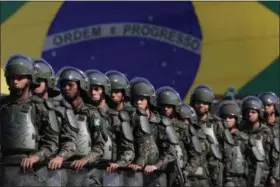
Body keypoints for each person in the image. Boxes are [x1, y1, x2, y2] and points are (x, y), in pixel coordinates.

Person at [0, 54, 59, 187]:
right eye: (12, 77)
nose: (15, 81)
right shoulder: (2, 105)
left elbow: (52, 141)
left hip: (31, 169)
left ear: (30, 78)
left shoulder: (41, 106)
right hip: (4, 167)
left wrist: (37, 156)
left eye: (20, 78)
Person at [56, 66, 106, 187]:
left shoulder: (92, 113)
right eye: (63, 85)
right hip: (58, 170)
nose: (66, 88)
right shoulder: (56, 111)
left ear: (80, 86)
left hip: (84, 171)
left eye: (70, 85)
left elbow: (99, 146)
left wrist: (85, 160)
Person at [32, 58, 79, 186]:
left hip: (52, 170)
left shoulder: (61, 109)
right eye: (33, 80)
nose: (35, 83)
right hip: (24, 169)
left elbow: (70, 141)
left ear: (48, 81)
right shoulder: (21, 107)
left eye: (39, 80)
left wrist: (60, 156)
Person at [85, 69, 135, 186]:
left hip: (111, 171)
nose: (93, 93)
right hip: (86, 169)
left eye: (97, 89)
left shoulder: (116, 117)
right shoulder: (83, 113)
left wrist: (120, 163)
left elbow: (128, 148)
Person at [129, 77, 177, 187]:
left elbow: (171, 151)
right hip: (132, 174)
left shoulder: (161, 122)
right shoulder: (129, 119)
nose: (138, 102)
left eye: (142, 98)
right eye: (136, 98)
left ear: (149, 100)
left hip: (155, 176)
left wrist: (156, 166)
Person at [190, 84, 225, 186]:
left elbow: (225, 148)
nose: (201, 105)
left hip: (212, 172)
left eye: (205, 103)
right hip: (191, 172)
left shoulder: (217, 123)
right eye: (198, 102)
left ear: (210, 105)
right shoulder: (187, 122)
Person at [155, 86, 188, 186]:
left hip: (178, 170)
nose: (166, 109)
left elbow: (194, 152)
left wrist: (187, 171)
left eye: (169, 106)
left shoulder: (183, 127)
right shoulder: (155, 124)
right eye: (163, 106)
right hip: (159, 169)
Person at [240, 96, 273, 187]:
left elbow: (275, 158)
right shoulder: (239, 134)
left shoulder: (268, 133)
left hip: (264, 178)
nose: (250, 114)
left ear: (259, 113)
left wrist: (273, 177)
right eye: (247, 112)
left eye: (253, 112)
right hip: (244, 178)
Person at [179, 103, 211, 187]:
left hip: (198, 180)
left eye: (186, 120)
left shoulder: (199, 137)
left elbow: (197, 158)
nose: (184, 123)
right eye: (181, 120)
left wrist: (186, 172)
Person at [217, 100, 248, 187]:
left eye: (231, 117)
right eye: (224, 117)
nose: (227, 120)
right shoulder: (216, 138)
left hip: (240, 181)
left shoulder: (244, 138)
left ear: (237, 118)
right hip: (220, 180)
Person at [258, 92, 280, 186]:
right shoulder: (256, 126)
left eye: (269, 105)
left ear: (275, 106)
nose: (266, 107)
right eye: (263, 105)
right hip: (261, 172)